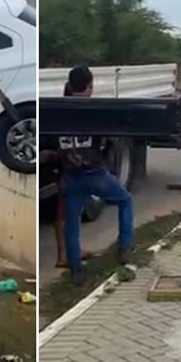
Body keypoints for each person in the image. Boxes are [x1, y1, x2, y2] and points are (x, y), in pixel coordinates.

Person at [51, 66, 133, 284]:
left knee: (72, 224)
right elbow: (109, 136)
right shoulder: (94, 109)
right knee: (125, 200)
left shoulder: (56, 110)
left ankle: (76, 270)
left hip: (70, 177)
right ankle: (125, 247)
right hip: (95, 174)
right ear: (89, 86)